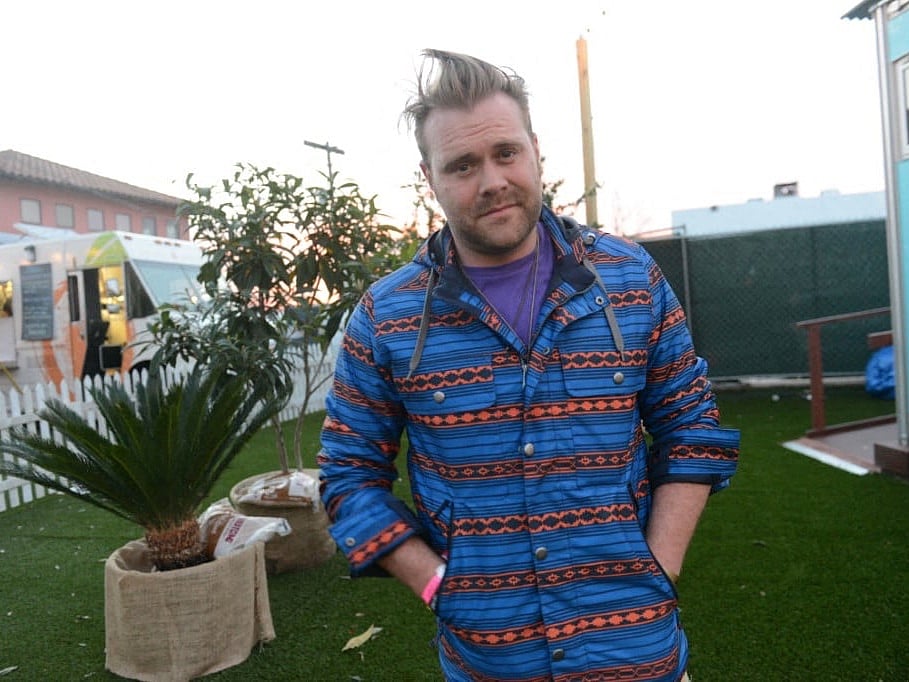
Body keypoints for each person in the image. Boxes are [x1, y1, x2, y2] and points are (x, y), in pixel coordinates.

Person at [319, 48, 740, 681]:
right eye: (462, 165)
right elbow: (348, 477)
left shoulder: (630, 281)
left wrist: (661, 564)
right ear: (429, 177)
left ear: (536, 150)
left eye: (505, 153)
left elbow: (692, 430)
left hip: (637, 653)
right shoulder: (388, 316)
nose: (490, 182)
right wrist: (437, 585)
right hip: (489, 660)